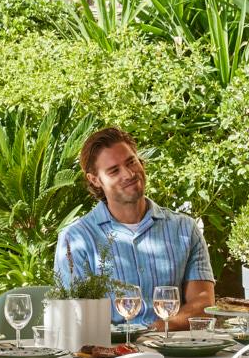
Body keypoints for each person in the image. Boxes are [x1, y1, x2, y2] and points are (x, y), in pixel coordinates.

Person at [53, 126, 217, 327]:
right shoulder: (76, 239)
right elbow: (75, 318)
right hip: (108, 354)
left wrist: (154, 333)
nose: (129, 174)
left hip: (174, 350)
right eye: (114, 170)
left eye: (131, 162)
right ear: (95, 180)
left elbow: (203, 305)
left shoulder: (185, 229)